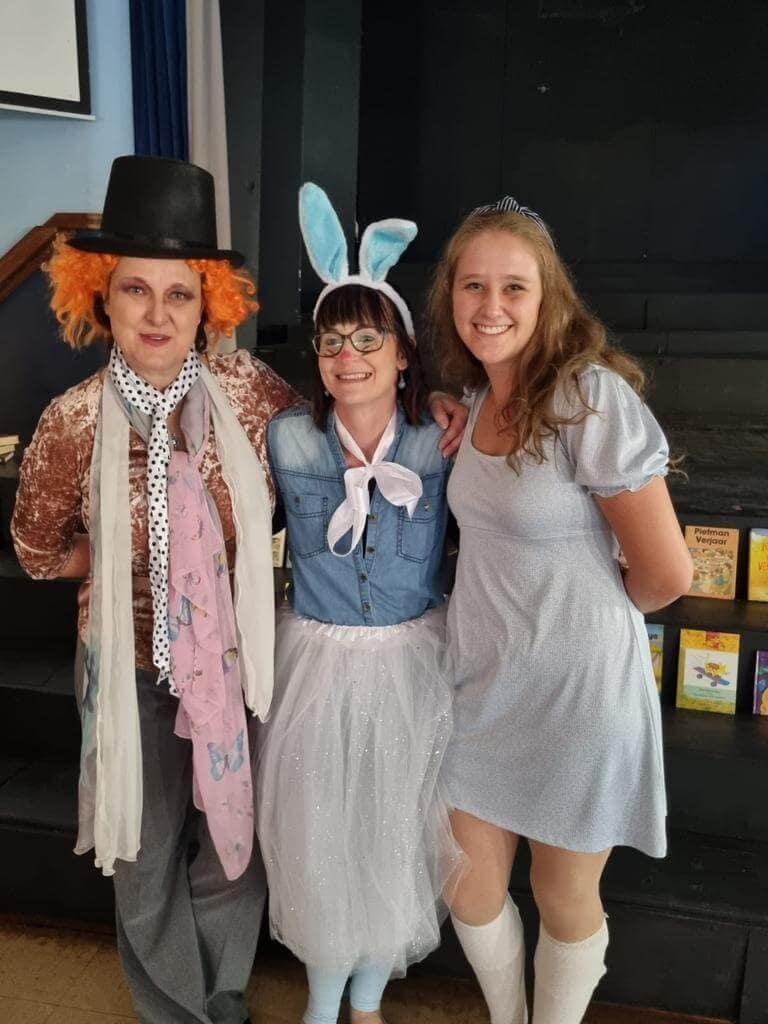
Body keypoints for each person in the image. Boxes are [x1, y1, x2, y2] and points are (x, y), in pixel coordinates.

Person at [11, 155, 302, 1024]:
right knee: (143, 855)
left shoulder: (253, 394)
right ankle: (180, 1011)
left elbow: (338, 447)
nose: (158, 314)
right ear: (101, 296)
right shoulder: (71, 420)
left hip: (237, 661)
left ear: (209, 303)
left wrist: (433, 411)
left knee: (233, 840)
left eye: (180, 294)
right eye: (136, 290)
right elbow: (35, 551)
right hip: (129, 668)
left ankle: (223, 992)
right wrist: (114, 565)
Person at [427, 197, 693, 1024]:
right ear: (451, 295)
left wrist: (584, 624)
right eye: (473, 285)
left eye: (514, 286)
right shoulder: (473, 400)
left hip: (577, 693)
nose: (491, 305)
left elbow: (667, 573)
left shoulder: (589, 397)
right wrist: (435, 401)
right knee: (466, 883)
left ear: (550, 298)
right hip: (482, 683)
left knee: (561, 890)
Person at [256, 183, 465, 1024]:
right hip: (317, 661)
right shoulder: (288, 437)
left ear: (403, 352)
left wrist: (454, 404)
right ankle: (322, 998)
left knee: (393, 832)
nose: (349, 356)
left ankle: (369, 999)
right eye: (332, 340)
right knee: (320, 836)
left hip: (411, 663)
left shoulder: (440, 439)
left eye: (368, 339)